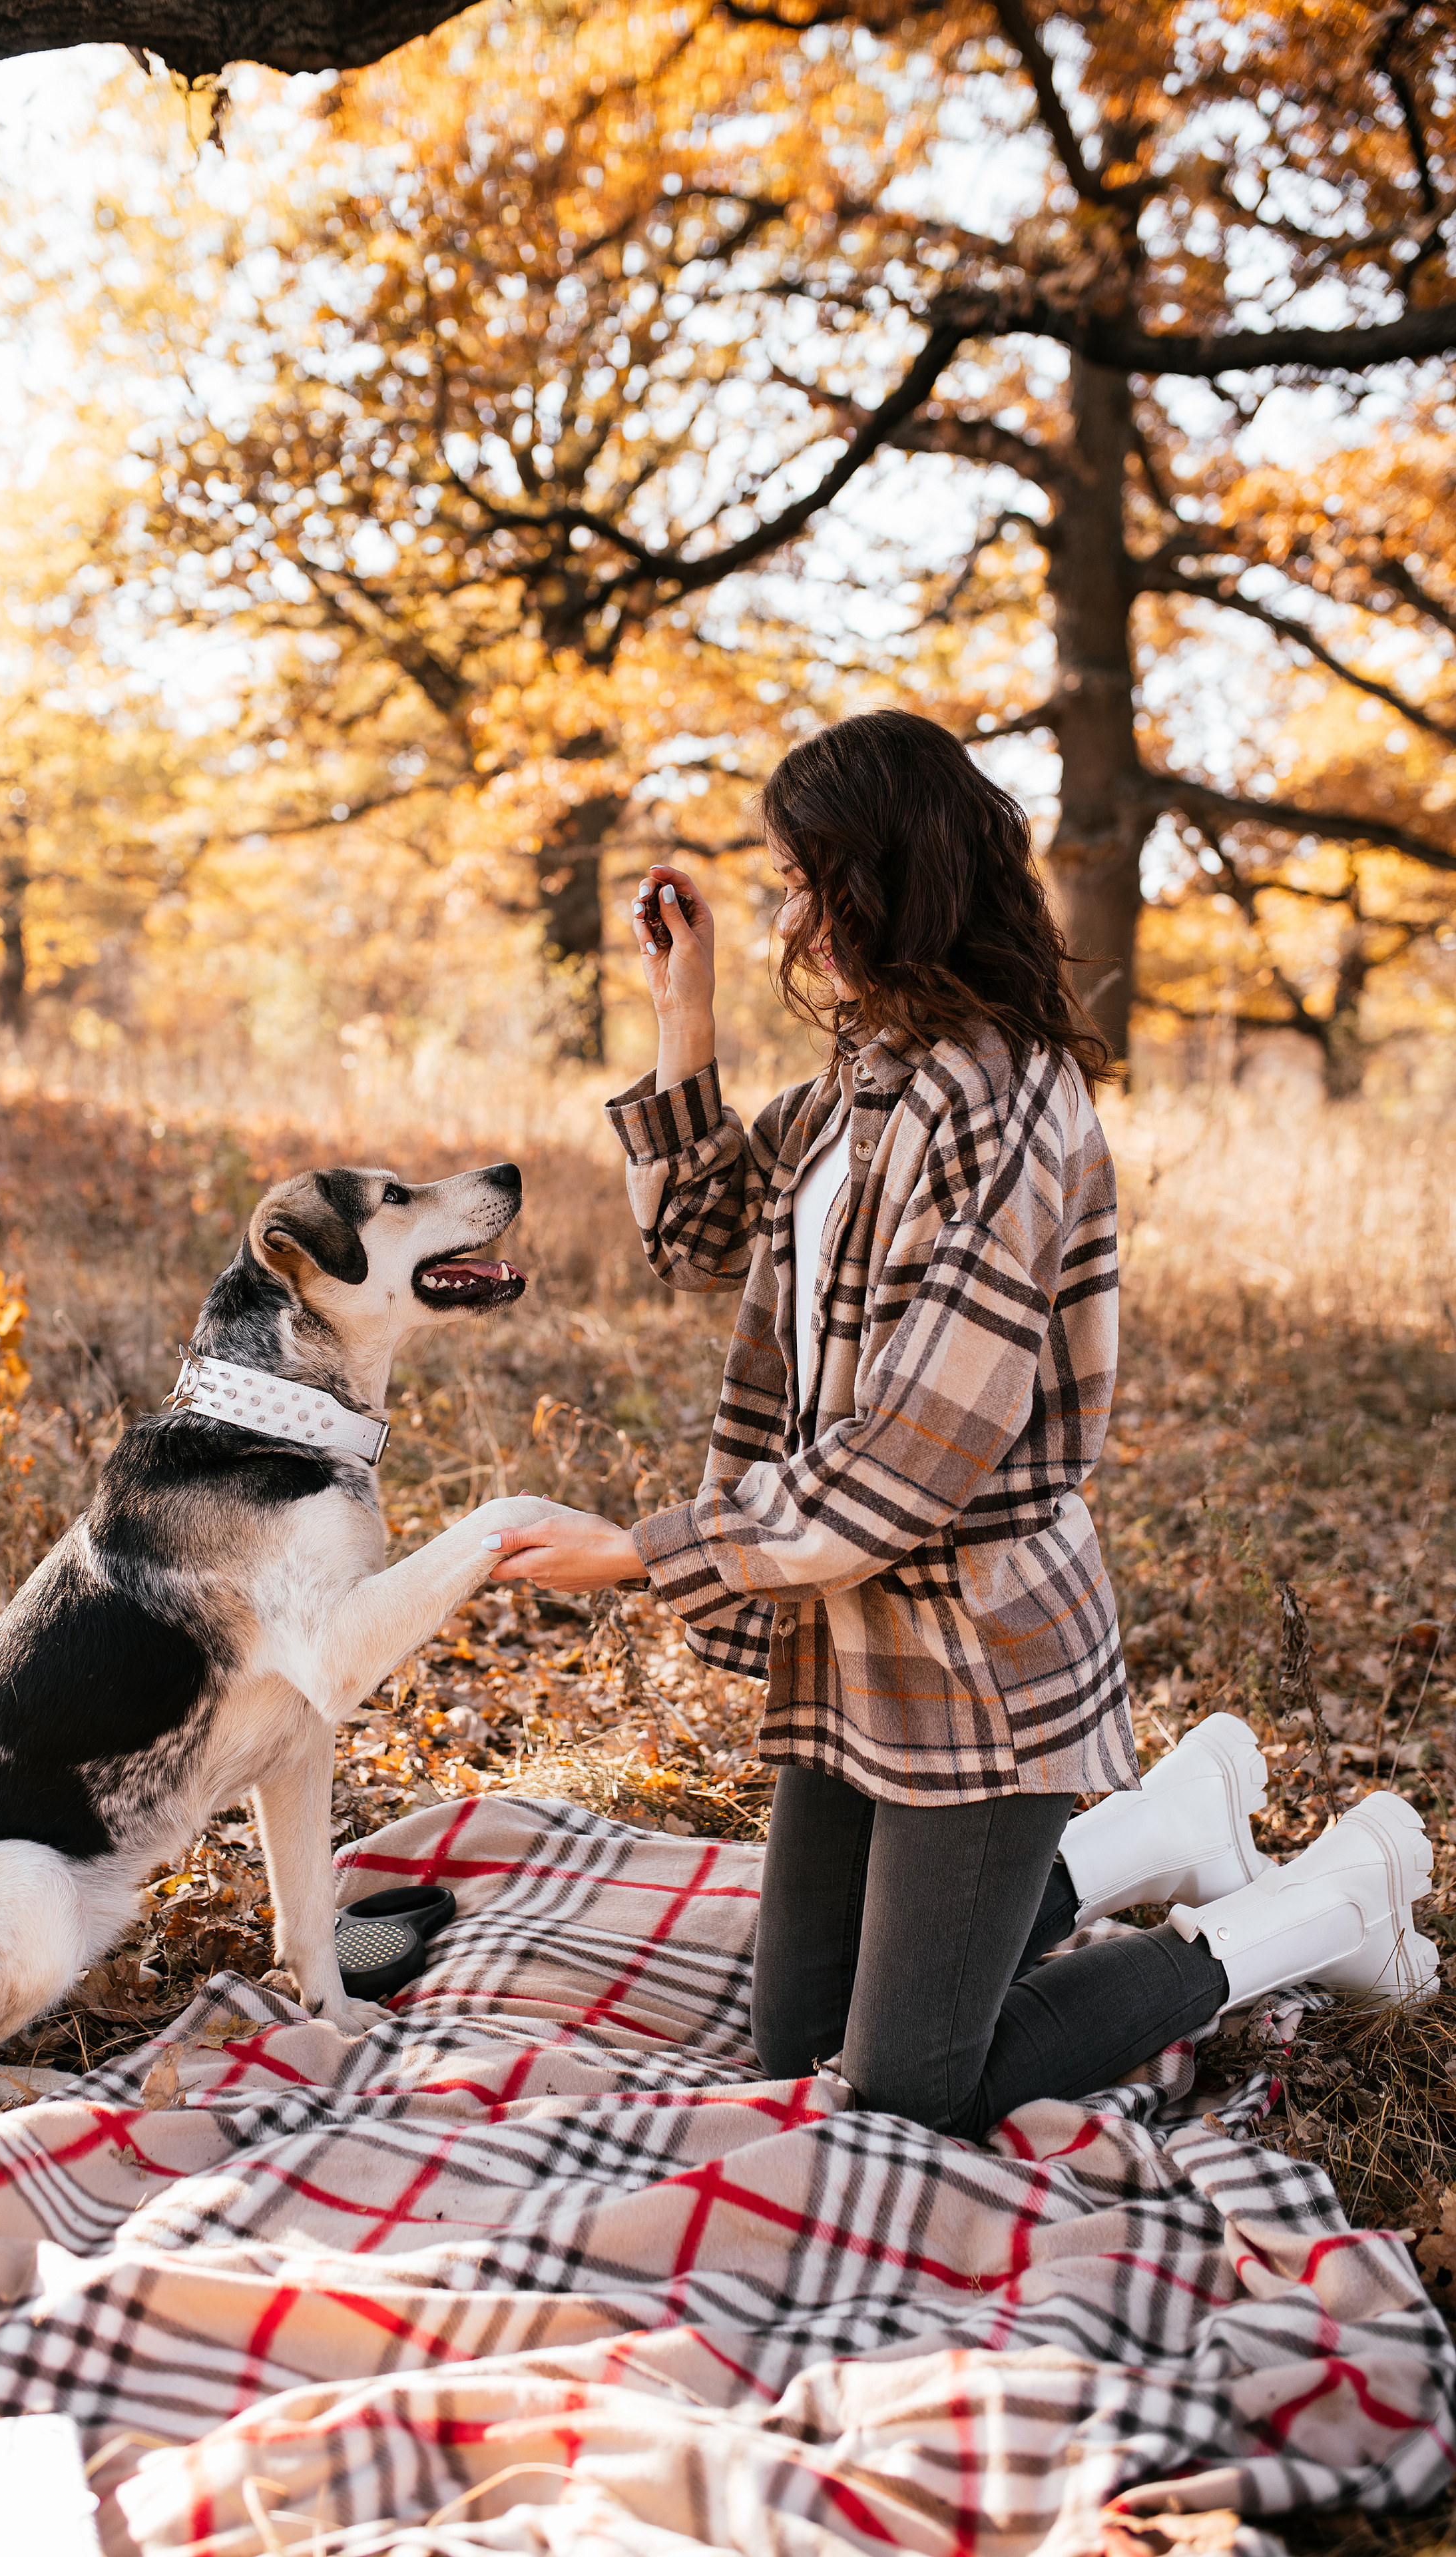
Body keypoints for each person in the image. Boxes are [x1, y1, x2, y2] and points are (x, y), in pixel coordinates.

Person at [482, 709, 1435, 2133]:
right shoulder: (867, 1079)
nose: (795, 921)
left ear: (886, 880)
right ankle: (1161, 1831)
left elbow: (909, 1454)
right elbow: (696, 1237)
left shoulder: (1000, 1104)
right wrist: (686, 1012)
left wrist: (642, 1553)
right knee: (789, 2047)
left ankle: (1309, 1913)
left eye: (808, 885)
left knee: (905, 2090)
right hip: (853, 1642)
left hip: (978, 1663)